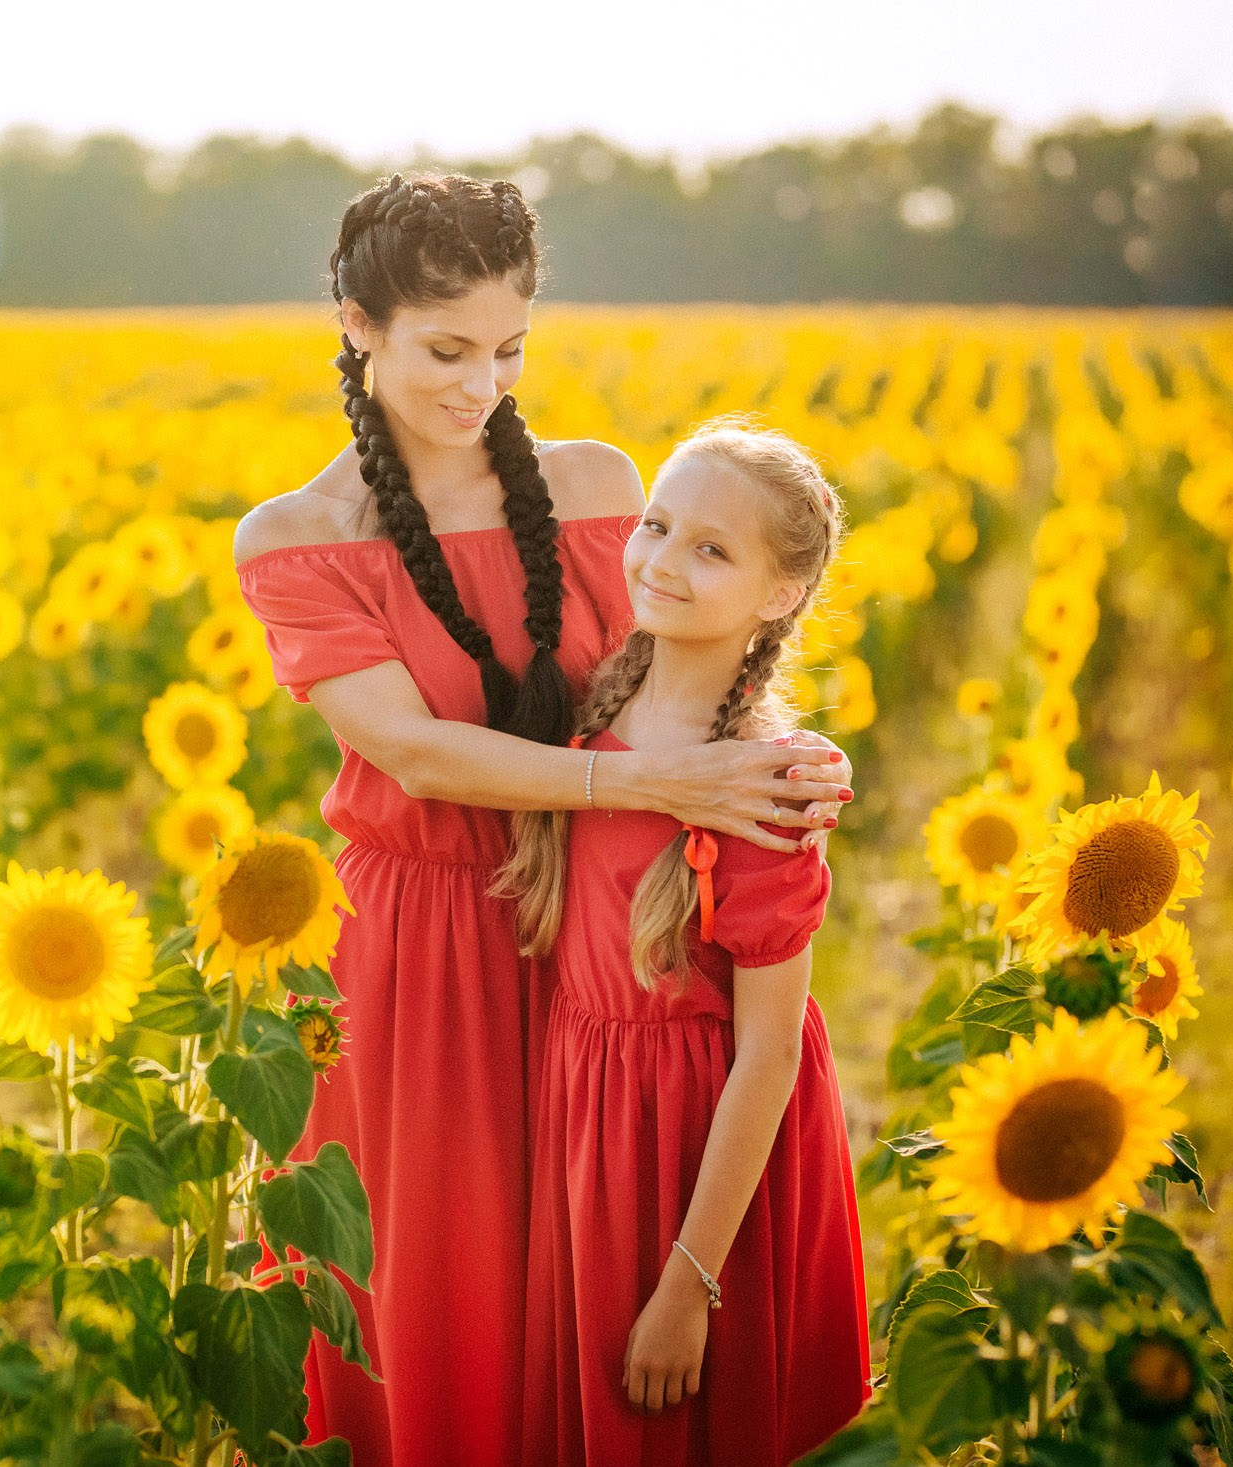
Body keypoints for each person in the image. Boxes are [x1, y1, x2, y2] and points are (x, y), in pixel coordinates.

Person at [233, 172, 853, 1465]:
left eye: (510, 349)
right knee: (452, 1297)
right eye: (447, 350)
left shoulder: (596, 485)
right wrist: (654, 788)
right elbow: (412, 751)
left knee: (608, 1284)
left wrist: (779, 760)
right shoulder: (299, 536)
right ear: (358, 322)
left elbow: (676, 678)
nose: (484, 386)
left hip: (605, 930)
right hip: (429, 960)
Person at [497, 421, 870, 1466]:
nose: (663, 561)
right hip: (587, 1119)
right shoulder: (587, 710)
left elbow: (771, 1052)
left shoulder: (766, 787)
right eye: (656, 526)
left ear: (781, 594)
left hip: (696, 1147)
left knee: (673, 1423)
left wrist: (689, 1280)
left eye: (713, 549)